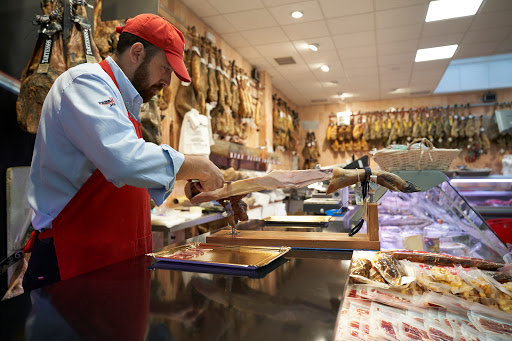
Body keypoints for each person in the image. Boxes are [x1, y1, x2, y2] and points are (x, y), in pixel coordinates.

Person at [23, 14, 224, 291]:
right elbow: (124, 161)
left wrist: (183, 179)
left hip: (109, 261)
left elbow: (122, 181)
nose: (167, 82)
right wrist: (198, 166)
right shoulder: (86, 83)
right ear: (137, 52)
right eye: (165, 69)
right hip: (72, 260)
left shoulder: (123, 101)